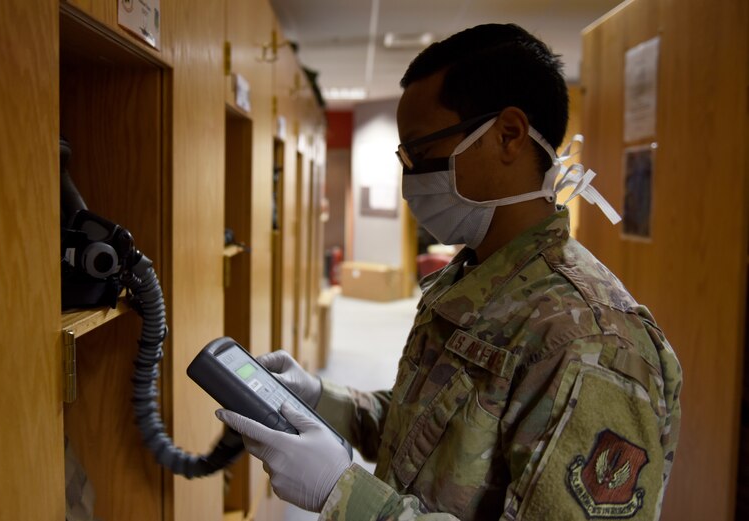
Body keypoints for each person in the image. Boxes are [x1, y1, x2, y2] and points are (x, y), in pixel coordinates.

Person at [216, 23, 682, 520]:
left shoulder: (593, 339)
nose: (408, 176)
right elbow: (427, 426)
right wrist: (322, 400)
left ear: (508, 135)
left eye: (420, 150)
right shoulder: (475, 279)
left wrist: (343, 494)